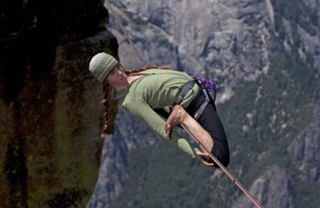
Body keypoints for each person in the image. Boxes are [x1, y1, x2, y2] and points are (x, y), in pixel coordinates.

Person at [89, 52, 230, 167]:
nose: (120, 72)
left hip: (195, 98)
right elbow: (161, 128)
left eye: (118, 67)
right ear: (105, 81)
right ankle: (182, 116)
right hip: (196, 99)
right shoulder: (130, 101)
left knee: (219, 158)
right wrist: (191, 151)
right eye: (113, 73)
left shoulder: (137, 75)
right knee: (219, 158)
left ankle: (183, 116)